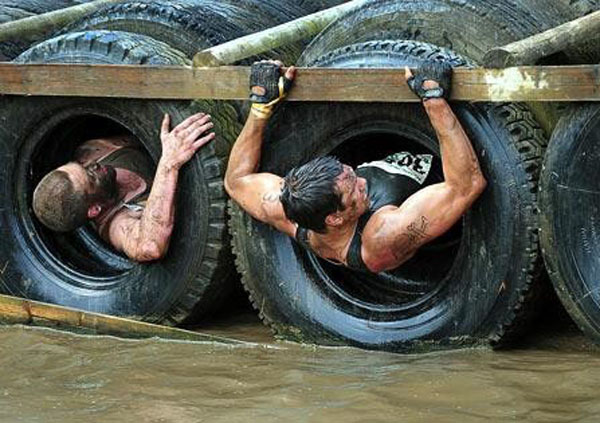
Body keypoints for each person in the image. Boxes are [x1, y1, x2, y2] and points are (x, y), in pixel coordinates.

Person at [225, 60, 487, 273]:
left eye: (351, 173)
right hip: (455, 186)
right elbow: (467, 185)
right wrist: (434, 101)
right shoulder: (382, 238)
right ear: (335, 218)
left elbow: (236, 181)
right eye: (356, 190)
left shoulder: (285, 206)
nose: (363, 182)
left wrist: (260, 107)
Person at [33, 113, 215, 262]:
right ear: (95, 209)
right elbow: (149, 248)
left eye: (81, 165)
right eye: (90, 176)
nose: (93, 165)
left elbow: (147, 127)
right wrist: (169, 164)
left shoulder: (92, 152)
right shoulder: (116, 225)